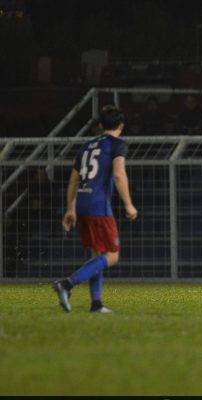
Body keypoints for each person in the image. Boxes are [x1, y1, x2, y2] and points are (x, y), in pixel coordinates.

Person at [52, 105, 138, 313]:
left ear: (100, 126)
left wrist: (70, 209)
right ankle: (67, 284)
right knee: (112, 255)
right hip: (99, 205)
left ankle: (96, 304)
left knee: (97, 253)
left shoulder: (86, 146)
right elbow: (119, 174)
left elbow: (73, 181)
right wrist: (128, 204)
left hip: (82, 203)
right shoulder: (117, 145)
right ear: (121, 126)